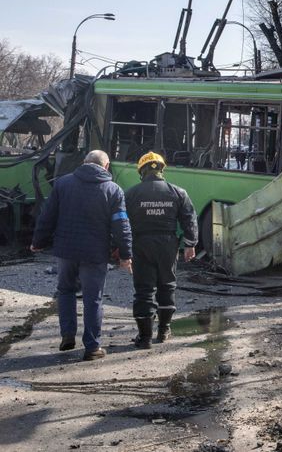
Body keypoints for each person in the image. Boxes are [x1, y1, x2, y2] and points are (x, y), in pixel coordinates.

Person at [31, 150, 133, 361]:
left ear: (84, 163)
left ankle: (68, 335)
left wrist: (38, 242)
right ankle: (92, 347)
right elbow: (121, 225)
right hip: (95, 254)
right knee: (93, 299)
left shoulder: (63, 184)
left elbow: (47, 215)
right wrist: (125, 255)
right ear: (106, 167)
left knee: (66, 291)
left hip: (65, 251)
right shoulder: (113, 190)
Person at [126, 152, 198, 348]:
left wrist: (120, 249)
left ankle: (144, 337)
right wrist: (190, 244)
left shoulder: (131, 194)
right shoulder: (177, 192)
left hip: (141, 244)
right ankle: (164, 330)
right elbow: (189, 219)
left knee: (143, 290)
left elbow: (122, 223)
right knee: (167, 285)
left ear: (142, 171)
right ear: (161, 169)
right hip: (168, 245)